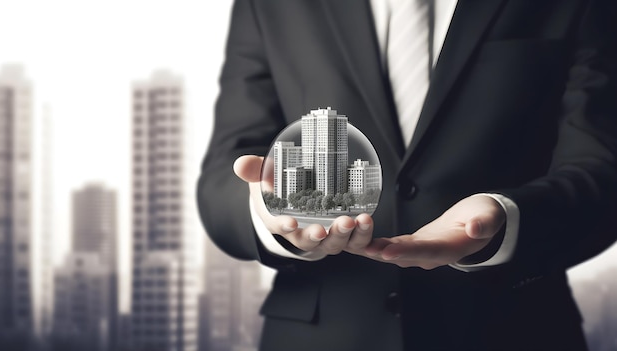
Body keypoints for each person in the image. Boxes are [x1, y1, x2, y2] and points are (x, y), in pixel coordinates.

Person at [197, 0, 617, 350]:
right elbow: (226, 169)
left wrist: (505, 216)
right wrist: (269, 214)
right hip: (320, 334)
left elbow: (601, 169)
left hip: (515, 331)